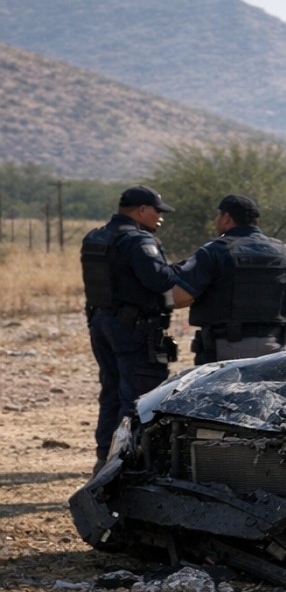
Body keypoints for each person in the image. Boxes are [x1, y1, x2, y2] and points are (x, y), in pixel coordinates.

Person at [80, 186, 192, 467]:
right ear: (142, 210)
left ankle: (105, 457)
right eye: (157, 211)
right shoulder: (138, 241)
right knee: (138, 397)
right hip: (133, 329)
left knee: (111, 394)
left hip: (101, 323)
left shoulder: (95, 237)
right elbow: (160, 281)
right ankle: (126, 463)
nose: (160, 219)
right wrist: (185, 267)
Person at [178, 194, 286, 365]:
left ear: (226, 218)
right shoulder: (285, 251)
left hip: (222, 348)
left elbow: (181, 296)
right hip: (272, 346)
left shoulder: (213, 251)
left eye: (218, 215)